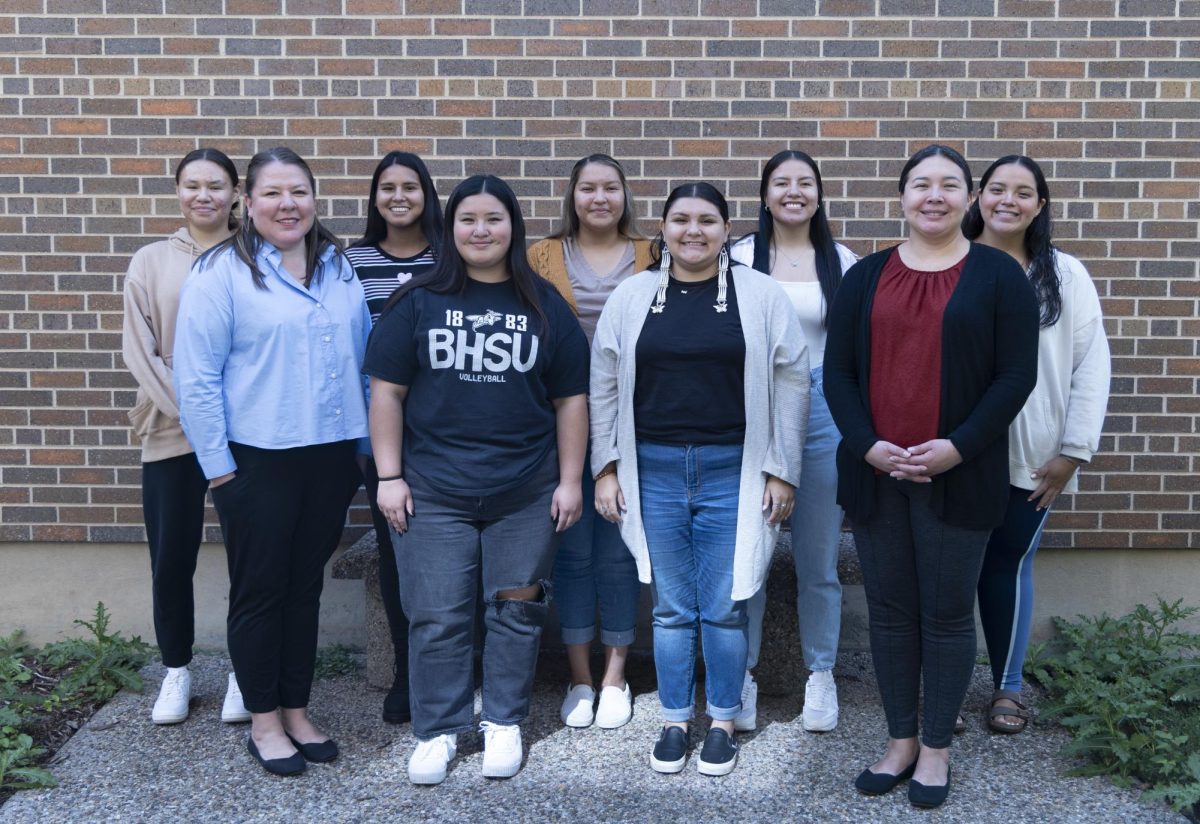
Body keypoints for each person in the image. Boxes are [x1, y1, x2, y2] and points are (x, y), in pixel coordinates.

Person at [824, 144, 1039, 809]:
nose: (935, 196)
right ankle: (899, 741)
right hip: (878, 474)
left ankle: (937, 749)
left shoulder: (999, 276)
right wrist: (867, 446)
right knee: (889, 613)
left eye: (950, 185)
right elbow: (838, 374)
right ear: (902, 197)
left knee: (945, 614)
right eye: (921, 184)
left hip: (959, 476)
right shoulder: (864, 276)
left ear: (970, 198)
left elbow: (1015, 377)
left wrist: (958, 446)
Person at [364, 175, 589, 785]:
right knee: (436, 613)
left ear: (512, 227)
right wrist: (388, 476)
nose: (480, 231)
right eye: (468, 220)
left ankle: (505, 722)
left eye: (493, 219)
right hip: (434, 490)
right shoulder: (416, 301)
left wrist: (570, 481)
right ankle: (439, 730)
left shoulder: (544, 305)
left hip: (526, 489)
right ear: (450, 228)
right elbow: (386, 392)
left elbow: (571, 399)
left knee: (517, 609)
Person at [591, 182, 808, 777]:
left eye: (707, 220)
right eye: (681, 219)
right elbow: (604, 383)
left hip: (731, 469)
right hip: (653, 468)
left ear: (726, 229)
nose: (694, 231)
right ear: (662, 228)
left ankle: (722, 722)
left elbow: (792, 380)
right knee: (669, 608)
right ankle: (672, 719)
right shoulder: (632, 297)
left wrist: (781, 469)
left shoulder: (760, 295)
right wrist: (605, 467)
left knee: (726, 605)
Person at [175, 147, 370, 777]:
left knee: (304, 588)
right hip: (256, 462)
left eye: (300, 192)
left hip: (331, 456)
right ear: (247, 203)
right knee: (261, 592)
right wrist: (219, 468)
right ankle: (263, 720)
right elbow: (197, 377)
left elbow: (361, 358)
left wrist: (366, 452)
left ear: (315, 199)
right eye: (273, 194)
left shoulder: (337, 266)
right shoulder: (220, 273)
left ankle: (296, 707)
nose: (288, 205)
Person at [964, 155, 1111, 734]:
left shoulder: (1065, 275)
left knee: (1006, 565)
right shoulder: (953, 261)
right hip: (952, 449)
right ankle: (941, 688)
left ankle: (1006, 687)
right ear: (977, 196)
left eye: (1023, 193)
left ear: (1040, 206)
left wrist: (1073, 450)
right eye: (997, 189)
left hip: (1030, 453)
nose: (1008, 201)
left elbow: (1091, 366)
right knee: (950, 571)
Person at [730, 149, 857, 734]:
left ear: (819, 194)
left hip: (824, 407)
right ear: (764, 194)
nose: (793, 192)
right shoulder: (738, 259)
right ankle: (743, 675)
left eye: (806, 182)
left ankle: (821, 676)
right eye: (781, 182)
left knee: (818, 558)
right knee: (750, 551)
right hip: (754, 412)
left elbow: (857, 352)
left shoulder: (844, 262)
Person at [122, 148, 250, 727]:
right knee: (171, 557)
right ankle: (176, 671)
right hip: (171, 428)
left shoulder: (255, 253)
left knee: (250, 557)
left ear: (235, 194)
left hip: (245, 430)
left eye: (215, 185)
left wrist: (228, 417)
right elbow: (139, 349)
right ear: (178, 192)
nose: (204, 195)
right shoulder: (151, 261)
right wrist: (194, 413)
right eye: (192, 185)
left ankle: (244, 675)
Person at [527, 154, 653, 731]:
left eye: (610, 187)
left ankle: (615, 674)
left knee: (621, 550)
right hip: (564, 422)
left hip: (639, 424)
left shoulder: (657, 253)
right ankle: (579, 677)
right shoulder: (541, 256)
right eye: (587, 188)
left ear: (625, 195)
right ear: (571, 196)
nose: (599, 197)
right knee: (573, 553)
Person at [345, 151, 444, 725]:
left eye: (411, 186)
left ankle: (459, 667)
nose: (399, 196)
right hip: (376, 429)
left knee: (455, 553)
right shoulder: (348, 261)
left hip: (441, 430)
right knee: (397, 553)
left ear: (427, 195)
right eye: (388, 187)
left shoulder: (449, 256)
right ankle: (409, 674)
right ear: (375, 196)